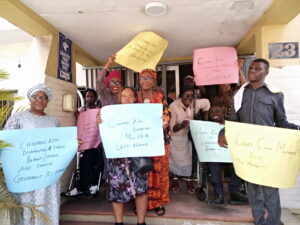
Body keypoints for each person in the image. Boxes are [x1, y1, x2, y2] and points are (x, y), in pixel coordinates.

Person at [219, 58, 300, 225]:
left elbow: (281, 121)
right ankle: (259, 221)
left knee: (270, 190)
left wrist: (297, 130)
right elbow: (233, 120)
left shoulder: (275, 95)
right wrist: (223, 131)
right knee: (253, 190)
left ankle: (274, 222)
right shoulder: (240, 93)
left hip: (267, 151)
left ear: (266, 73)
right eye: (251, 68)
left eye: (258, 69)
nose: (252, 71)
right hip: (248, 151)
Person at [4, 84, 60, 225]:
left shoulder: (54, 121)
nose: (39, 100)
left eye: (43, 97)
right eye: (36, 97)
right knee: (27, 203)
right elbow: (5, 141)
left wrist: (73, 143)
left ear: (48, 101)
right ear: (30, 99)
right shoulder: (18, 118)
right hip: (26, 171)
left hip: (48, 171)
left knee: (48, 201)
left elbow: (59, 143)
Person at [99, 87, 148, 225]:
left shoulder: (144, 114)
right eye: (124, 95)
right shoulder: (110, 114)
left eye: (130, 95)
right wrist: (101, 124)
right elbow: (105, 136)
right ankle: (118, 223)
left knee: (141, 190)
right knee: (116, 190)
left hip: (138, 159)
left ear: (134, 98)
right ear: (119, 99)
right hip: (117, 160)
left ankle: (141, 222)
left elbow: (152, 133)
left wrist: (160, 123)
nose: (127, 98)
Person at [137, 68, 170, 216]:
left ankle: (158, 202)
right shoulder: (135, 97)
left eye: (149, 78)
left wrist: (165, 122)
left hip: (158, 141)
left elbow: (167, 115)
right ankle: (141, 204)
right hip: (139, 142)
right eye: (143, 78)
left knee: (158, 172)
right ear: (139, 80)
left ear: (154, 81)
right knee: (142, 173)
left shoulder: (160, 97)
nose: (145, 81)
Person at [169, 86, 210, 195]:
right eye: (186, 95)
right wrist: (182, 125)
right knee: (174, 161)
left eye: (191, 96)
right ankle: (176, 182)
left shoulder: (194, 103)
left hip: (187, 137)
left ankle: (189, 183)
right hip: (175, 139)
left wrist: (205, 119)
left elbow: (206, 102)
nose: (189, 98)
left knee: (187, 160)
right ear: (180, 96)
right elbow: (171, 127)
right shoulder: (173, 106)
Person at [66, 88, 103, 197]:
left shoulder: (99, 111)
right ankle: (83, 186)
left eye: (92, 96)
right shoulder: (81, 111)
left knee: (99, 160)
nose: (89, 98)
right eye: (87, 96)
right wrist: (77, 117)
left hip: (98, 143)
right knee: (85, 161)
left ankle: (93, 185)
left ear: (95, 98)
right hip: (86, 143)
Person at [207, 105, 247, 205]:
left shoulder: (231, 126)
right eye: (212, 112)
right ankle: (219, 195)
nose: (215, 114)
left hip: (231, 156)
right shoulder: (205, 128)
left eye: (218, 111)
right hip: (215, 156)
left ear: (223, 114)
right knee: (213, 165)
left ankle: (234, 192)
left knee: (239, 163)